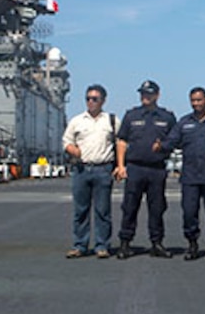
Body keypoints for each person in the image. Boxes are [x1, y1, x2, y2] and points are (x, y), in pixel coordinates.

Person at [115, 80, 177, 259]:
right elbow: (122, 141)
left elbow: (174, 140)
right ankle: (125, 243)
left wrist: (163, 146)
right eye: (142, 93)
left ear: (157, 95)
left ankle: (157, 243)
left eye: (149, 94)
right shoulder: (131, 115)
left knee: (157, 208)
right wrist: (120, 166)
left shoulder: (167, 117)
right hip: (135, 168)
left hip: (157, 169)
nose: (145, 97)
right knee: (129, 207)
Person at [163, 87, 205, 261]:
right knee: (189, 213)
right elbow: (171, 141)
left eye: (199, 100)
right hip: (190, 176)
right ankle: (192, 245)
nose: (196, 103)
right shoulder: (184, 122)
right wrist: (159, 145)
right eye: (193, 100)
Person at [61, 84, 118, 259]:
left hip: (103, 168)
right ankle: (80, 245)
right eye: (88, 98)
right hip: (81, 169)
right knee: (81, 211)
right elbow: (66, 140)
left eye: (95, 99)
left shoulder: (112, 120)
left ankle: (102, 245)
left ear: (103, 100)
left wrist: (120, 166)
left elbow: (122, 143)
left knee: (103, 211)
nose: (91, 102)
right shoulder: (77, 121)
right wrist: (72, 150)